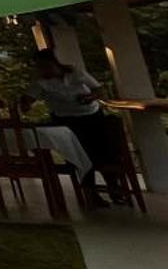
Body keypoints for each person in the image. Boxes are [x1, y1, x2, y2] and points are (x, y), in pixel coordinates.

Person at [32, 48, 124, 203]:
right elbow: (29, 97)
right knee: (79, 155)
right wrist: (25, 103)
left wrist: (90, 97)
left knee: (104, 152)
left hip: (91, 116)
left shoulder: (76, 73)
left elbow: (99, 90)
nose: (44, 70)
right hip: (66, 121)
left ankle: (115, 189)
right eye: (40, 66)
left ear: (56, 64)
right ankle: (91, 193)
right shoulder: (40, 82)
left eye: (47, 65)